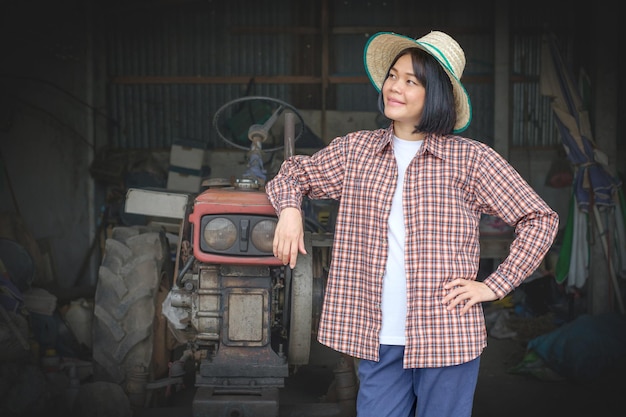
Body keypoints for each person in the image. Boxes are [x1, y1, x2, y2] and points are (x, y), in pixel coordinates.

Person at [266, 30, 559, 417]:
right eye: (392, 75)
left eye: (410, 81)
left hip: (447, 335)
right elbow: (292, 174)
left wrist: (493, 286)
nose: (394, 87)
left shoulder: (471, 160)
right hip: (379, 336)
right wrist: (289, 210)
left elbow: (539, 218)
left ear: (435, 93)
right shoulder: (357, 151)